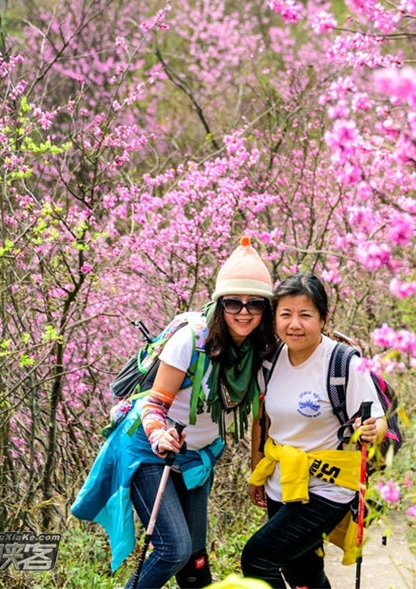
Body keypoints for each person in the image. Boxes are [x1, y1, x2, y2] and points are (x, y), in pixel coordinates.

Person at [72, 236, 278, 588]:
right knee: (173, 548)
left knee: (195, 560)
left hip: (196, 457)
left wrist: (257, 469)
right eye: (233, 303)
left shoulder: (263, 352)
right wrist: (159, 433)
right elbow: (154, 402)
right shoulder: (192, 340)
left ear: (266, 309)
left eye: (254, 304)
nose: (243, 312)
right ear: (219, 304)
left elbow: (260, 415)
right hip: (149, 449)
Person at [241, 273, 387, 589]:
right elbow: (262, 421)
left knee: (257, 559)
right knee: (302, 574)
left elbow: (375, 416)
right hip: (281, 481)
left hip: (327, 486)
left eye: (305, 315)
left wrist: (372, 429)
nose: (295, 324)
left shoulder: (342, 363)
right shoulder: (270, 361)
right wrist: (257, 471)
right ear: (274, 317)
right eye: (286, 314)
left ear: (323, 318)